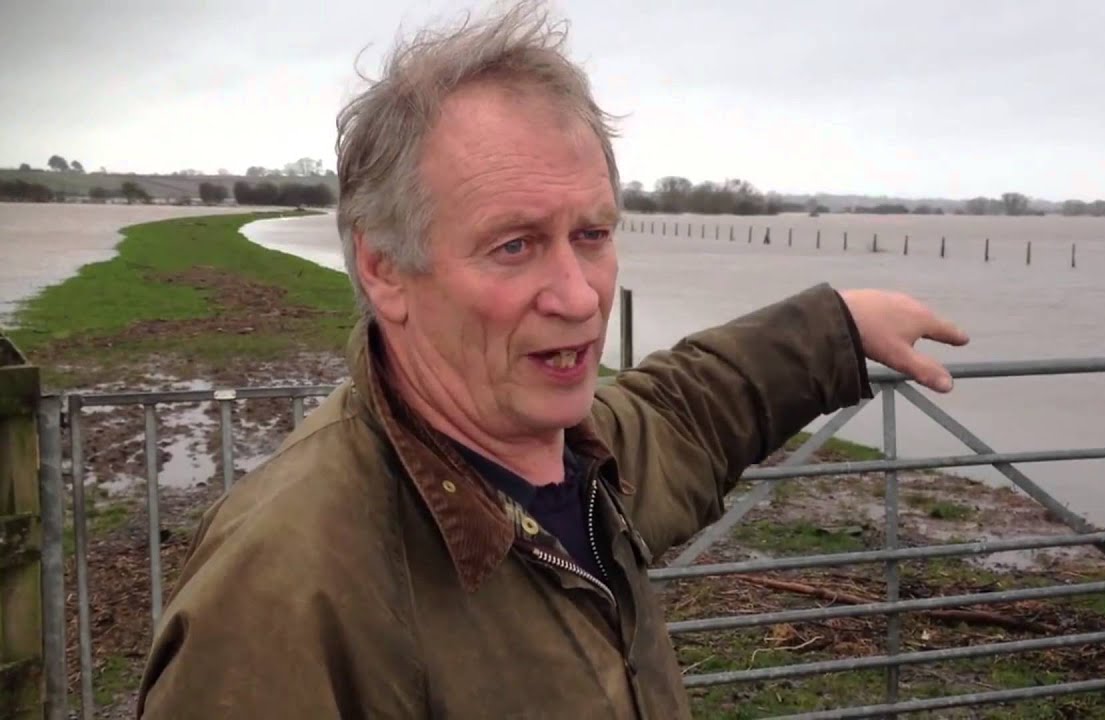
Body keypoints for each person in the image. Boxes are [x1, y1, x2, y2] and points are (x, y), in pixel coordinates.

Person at [136, 2, 968, 718]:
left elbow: (697, 409)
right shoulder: (287, 588)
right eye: (514, 245)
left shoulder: (576, 454)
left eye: (592, 235)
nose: (577, 296)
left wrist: (840, 327)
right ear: (386, 268)